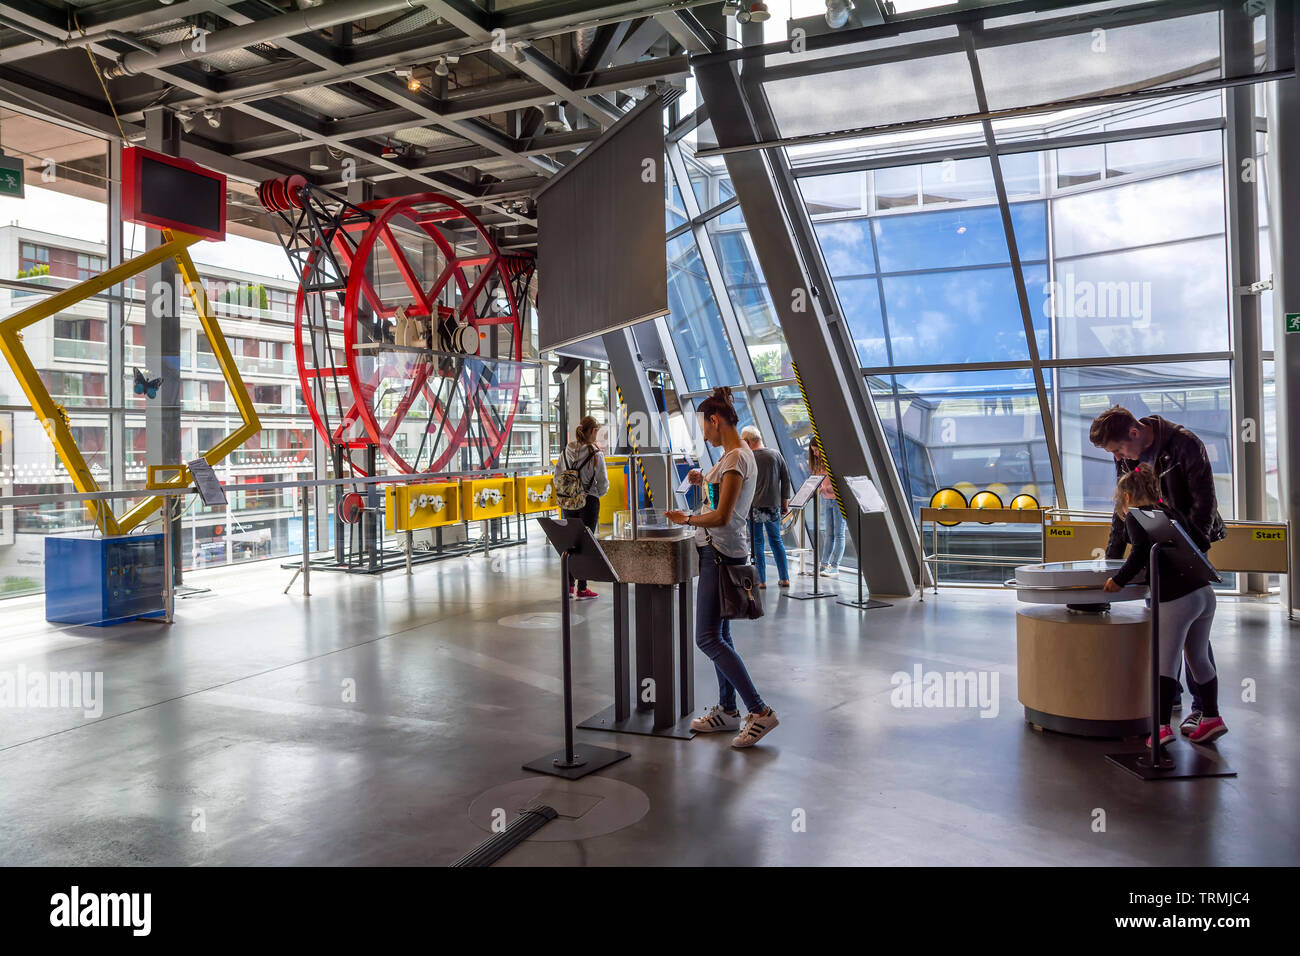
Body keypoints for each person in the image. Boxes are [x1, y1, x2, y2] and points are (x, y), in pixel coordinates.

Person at [1090, 405, 1226, 736]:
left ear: (1134, 433)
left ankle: (1179, 716)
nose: (1120, 456)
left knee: (1176, 642)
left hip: (1188, 549)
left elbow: (1204, 504)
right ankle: (1192, 708)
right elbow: (1122, 512)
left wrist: (1189, 556)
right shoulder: (1126, 458)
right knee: (1183, 636)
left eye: (1120, 448)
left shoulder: (1184, 444)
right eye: (1115, 453)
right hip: (1173, 566)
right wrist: (1112, 560)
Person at [666, 387, 779, 749]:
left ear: (715, 421)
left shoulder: (734, 459)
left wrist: (687, 517)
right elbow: (722, 492)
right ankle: (728, 711)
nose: (705, 435)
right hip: (724, 553)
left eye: (704, 428)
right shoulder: (736, 455)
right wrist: (704, 479)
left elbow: (722, 515)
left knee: (707, 638)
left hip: (718, 554)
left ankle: (759, 711)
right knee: (722, 636)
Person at [554, 416, 608, 600]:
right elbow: (602, 483)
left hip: (568, 502)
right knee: (586, 544)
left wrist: (570, 493)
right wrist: (595, 494)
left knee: (570, 543)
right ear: (592, 431)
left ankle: (568, 587)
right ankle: (582, 588)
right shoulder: (596, 454)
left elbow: (557, 477)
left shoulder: (565, 451)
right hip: (589, 502)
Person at [741, 425, 791, 590]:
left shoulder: (747, 458)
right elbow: (786, 479)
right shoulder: (775, 454)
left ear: (748, 441)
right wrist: (784, 501)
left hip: (752, 506)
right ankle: (784, 578)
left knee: (757, 543)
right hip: (773, 505)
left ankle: (761, 580)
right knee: (776, 540)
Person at [810, 443, 845, 575]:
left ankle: (835, 566)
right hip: (827, 500)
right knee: (828, 533)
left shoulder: (833, 462)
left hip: (837, 500)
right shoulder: (819, 464)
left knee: (839, 534)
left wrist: (825, 489)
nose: (815, 453)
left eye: (816, 450)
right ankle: (824, 564)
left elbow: (838, 482)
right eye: (813, 451)